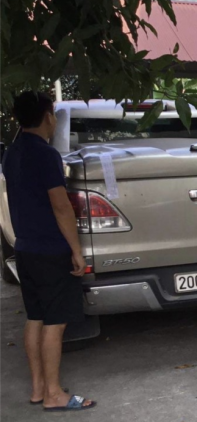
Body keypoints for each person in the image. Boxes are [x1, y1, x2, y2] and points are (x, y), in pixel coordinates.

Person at [3, 91, 95, 411]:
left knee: (35, 318)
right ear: (46, 117)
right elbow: (60, 207)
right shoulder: (46, 155)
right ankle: (55, 394)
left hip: (25, 248)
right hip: (50, 250)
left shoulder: (11, 154)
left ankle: (39, 389)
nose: (55, 120)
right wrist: (77, 251)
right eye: (53, 114)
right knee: (55, 322)